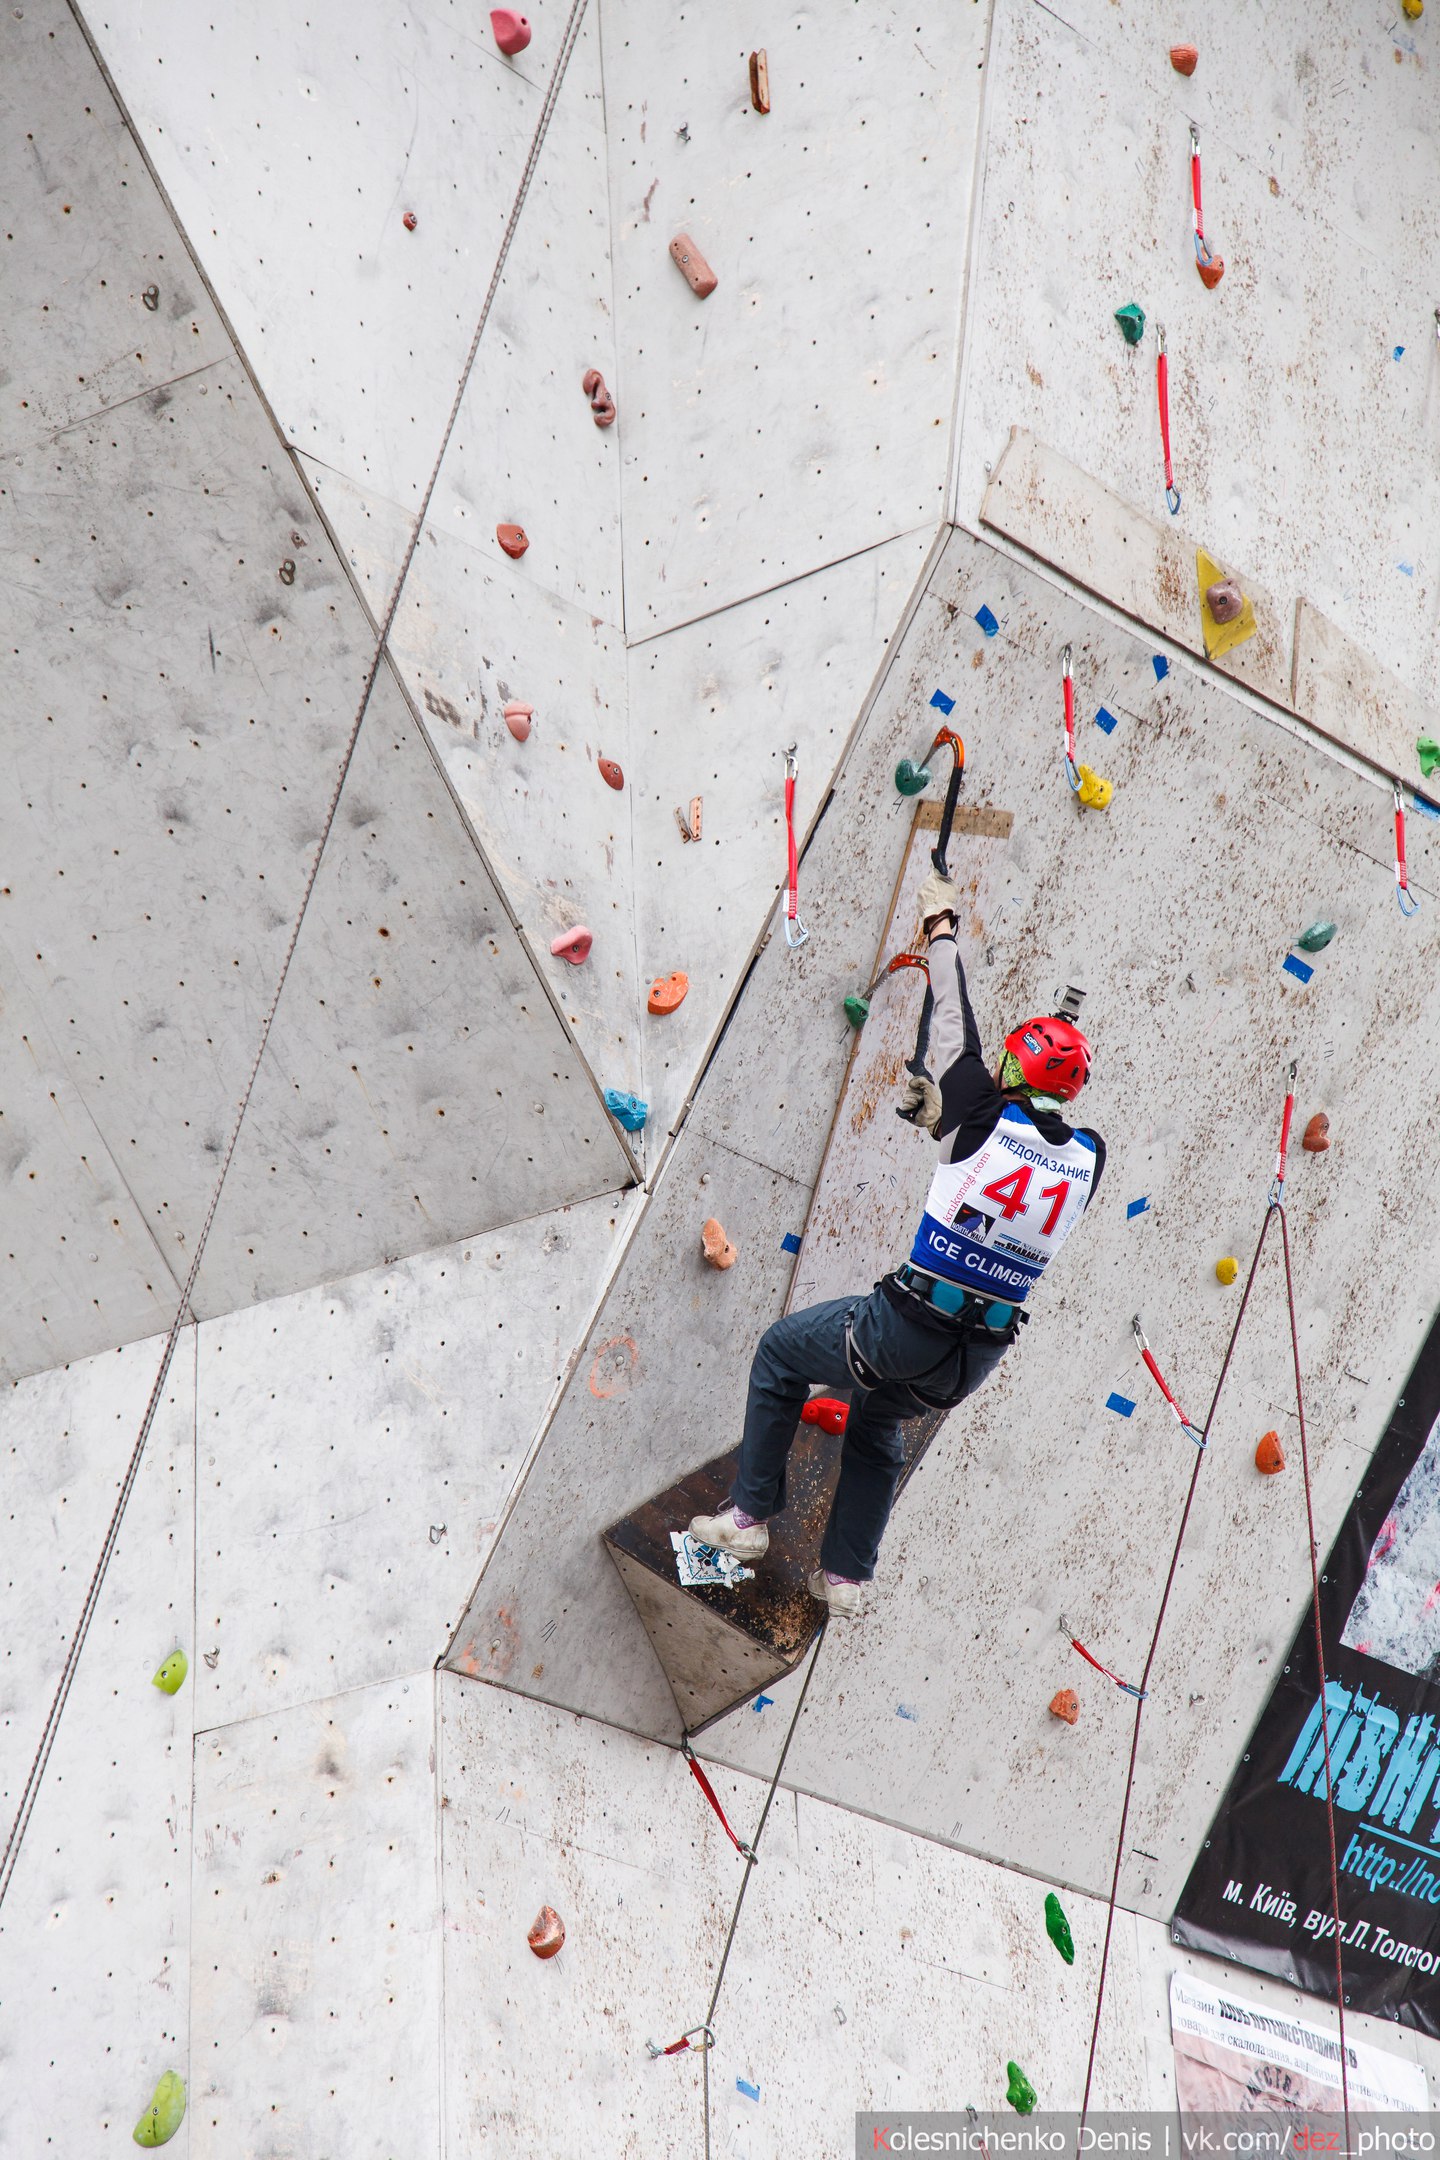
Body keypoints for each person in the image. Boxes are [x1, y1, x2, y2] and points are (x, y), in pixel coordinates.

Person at [689, 866, 1105, 1617]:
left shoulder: (979, 1104)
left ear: (1011, 1068)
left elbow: (954, 1012)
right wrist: (942, 1121)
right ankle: (846, 1577)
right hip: (970, 1361)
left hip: (905, 1327)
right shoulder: (1089, 1157)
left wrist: (940, 925)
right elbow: (1011, 1162)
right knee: (878, 1423)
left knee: (782, 1353)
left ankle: (748, 1519)